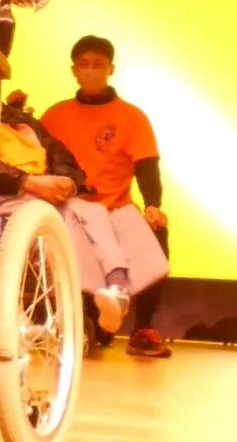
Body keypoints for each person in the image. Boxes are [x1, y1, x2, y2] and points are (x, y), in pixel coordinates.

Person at [0, 90, 167, 344]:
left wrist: (67, 182)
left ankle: (118, 289)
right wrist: (26, 182)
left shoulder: (25, 123)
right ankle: (71, 318)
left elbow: (60, 155)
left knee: (92, 211)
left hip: (53, 199)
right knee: (69, 225)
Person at [40, 36, 172, 358]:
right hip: (70, 208)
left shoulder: (132, 117)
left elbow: (147, 167)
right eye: (83, 64)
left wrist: (153, 205)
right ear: (74, 70)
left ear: (111, 68)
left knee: (157, 232)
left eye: (98, 64)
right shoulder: (55, 116)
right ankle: (80, 321)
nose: (91, 70)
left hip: (116, 208)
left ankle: (142, 330)